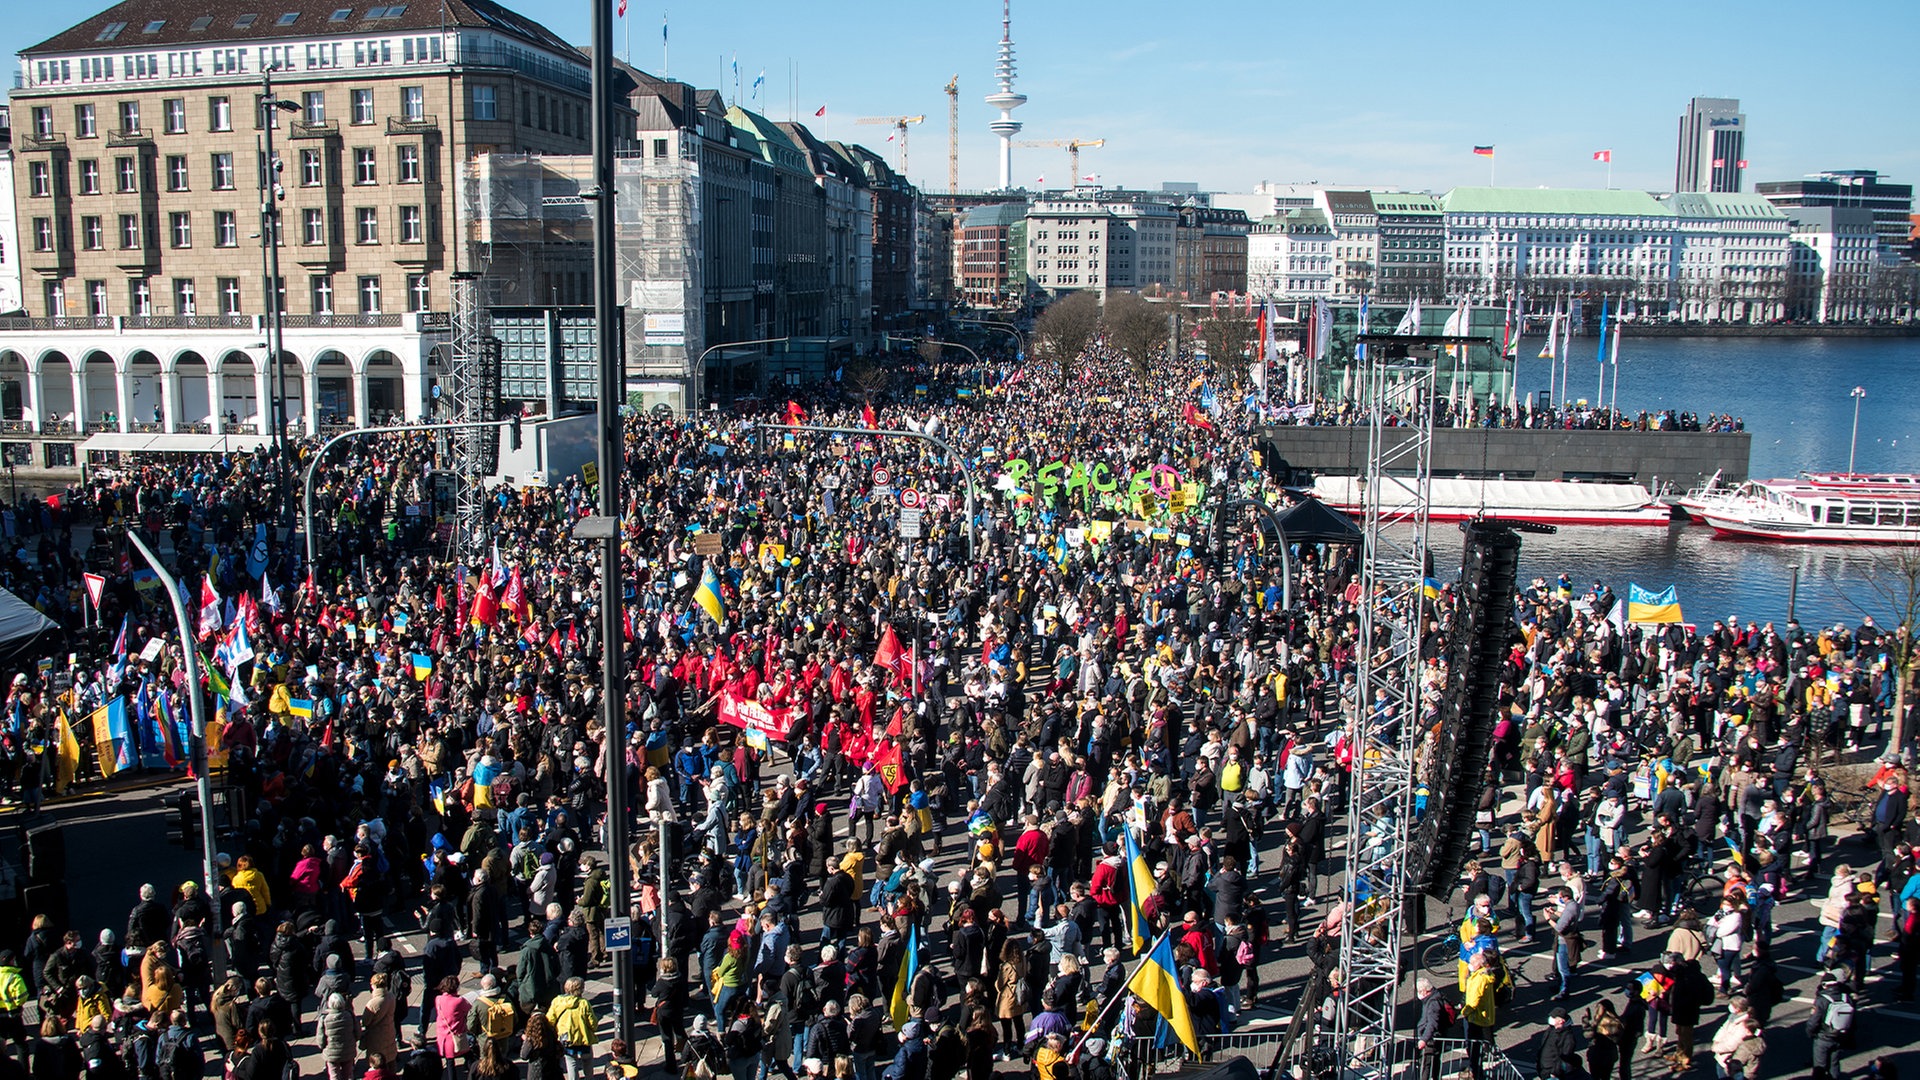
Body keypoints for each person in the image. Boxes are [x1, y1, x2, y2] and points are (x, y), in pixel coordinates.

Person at [547, 978, 596, 1080]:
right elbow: (593, 1024)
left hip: (566, 1039)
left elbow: (549, 1020)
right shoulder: (584, 1003)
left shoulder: (557, 1001)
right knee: (587, 1061)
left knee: (571, 1062)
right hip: (584, 1039)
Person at [1462, 951, 1498, 1080]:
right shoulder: (1484, 975)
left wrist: (1464, 1012)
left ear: (1478, 965)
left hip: (1476, 1017)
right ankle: (1475, 1071)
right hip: (1482, 1016)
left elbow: (1474, 1001)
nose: (1469, 965)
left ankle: (1476, 1073)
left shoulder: (1479, 979)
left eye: (1472, 963)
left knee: (1473, 1048)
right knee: (1476, 1048)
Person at [1710, 996, 1762, 1080]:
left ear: (1738, 1008)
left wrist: (1716, 1047)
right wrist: (1716, 1040)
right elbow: (1723, 1028)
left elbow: (1732, 1044)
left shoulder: (1743, 1026)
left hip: (1728, 1058)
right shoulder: (1733, 1017)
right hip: (1722, 1055)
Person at [317, 992, 362, 1080]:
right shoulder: (349, 1015)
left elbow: (321, 1038)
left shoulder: (324, 1019)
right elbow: (357, 1033)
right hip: (348, 1050)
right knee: (348, 1075)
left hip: (332, 1052)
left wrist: (322, 1046)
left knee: (334, 1075)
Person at [1535, 1008, 1580, 1080]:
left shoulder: (1568, 1038)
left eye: (1554, 1017)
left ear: (1561, 1021)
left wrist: (1555, 1072)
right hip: (1544, 1068)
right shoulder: (1552, 1029)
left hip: (1552, 1072)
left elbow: (1565, 1057)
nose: (1551, 1019)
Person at [521, 1011, 565, 1080]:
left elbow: (524, 1055)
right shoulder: (552, 1035)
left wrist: (525, 1041)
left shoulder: (531, 1039)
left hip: (536, 1073)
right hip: (553, 1071)